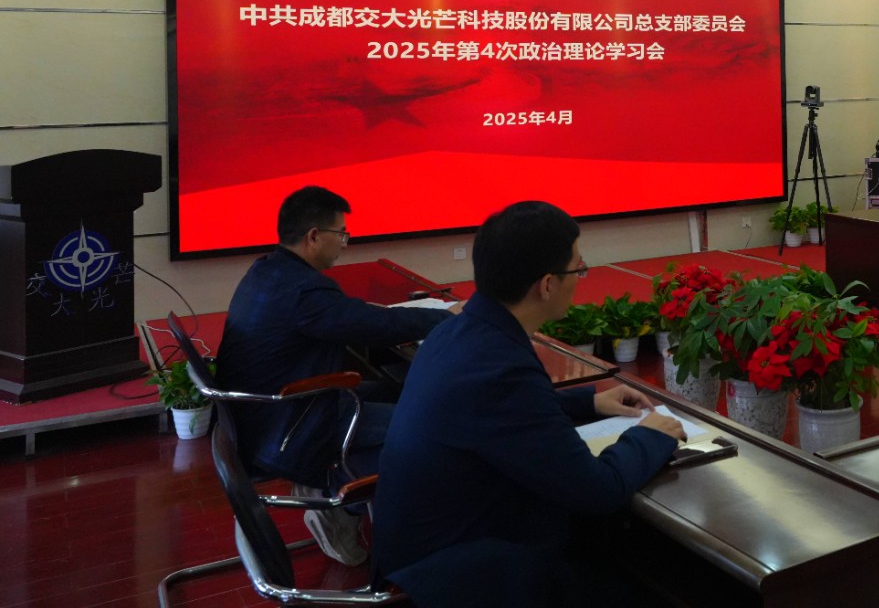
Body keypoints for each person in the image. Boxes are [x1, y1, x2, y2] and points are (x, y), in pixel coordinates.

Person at [375, 201, 684, 607]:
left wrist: (589, 403)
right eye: (578, 268)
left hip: (423, 551)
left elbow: (498, 415)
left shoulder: (458, 331)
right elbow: (597, 489)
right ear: (547, 285)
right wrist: (649, 435)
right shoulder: (500, 367)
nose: (581, 277)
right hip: (457, 575)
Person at [217, 186, 456, 565]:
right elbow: (373, 326)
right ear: (314, 236)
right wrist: (446, 317)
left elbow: (345, 317)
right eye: (341, 234)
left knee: (396, 390)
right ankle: (343, 501)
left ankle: (330, 489)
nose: (345, 243)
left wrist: (366, 314)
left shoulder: (269, 270)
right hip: (293, 423)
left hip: (266, 416)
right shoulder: (304, 290)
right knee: (430, 423)